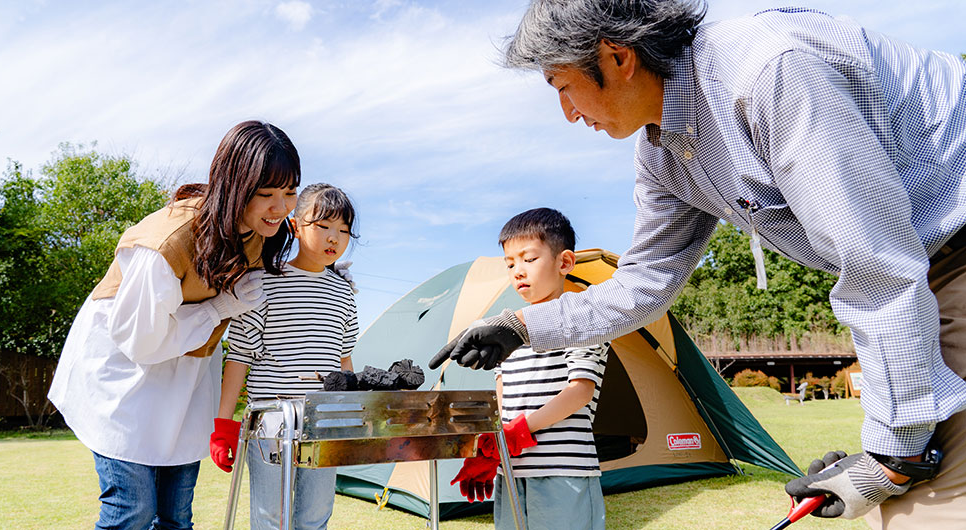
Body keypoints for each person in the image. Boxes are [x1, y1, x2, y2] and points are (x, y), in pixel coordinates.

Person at [429, 1, 966, 527]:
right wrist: (519, 325)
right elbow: (643, 283)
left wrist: (894, 458)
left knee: (928, 508)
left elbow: (876, 264)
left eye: (563, 86)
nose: (568, 113)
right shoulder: (663, 152)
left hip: (950, 241)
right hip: (921, 262)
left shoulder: (762, 75)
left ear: (617, 56)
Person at [48, 120, 302, 530]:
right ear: (234, 186)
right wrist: (219, 308)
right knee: (132, 511)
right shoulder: (169, 243)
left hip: (186, 378)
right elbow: (139, 341)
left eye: (289, 192)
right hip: (125, 375)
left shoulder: (258, 232)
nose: (281, 207)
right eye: (266, 194)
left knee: (176, 515)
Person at [210, 183, 359, 530]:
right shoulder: (262, 283)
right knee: (270, 519)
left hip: (323, 424)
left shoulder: (344, 292)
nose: (333, 238)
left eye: (343, 230)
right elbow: (239, 358)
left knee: (315, 518)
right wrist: (224, 426)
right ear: (294, 225)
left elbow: (345, 361)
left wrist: (351, 418)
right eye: (322, 226)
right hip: (270, 425)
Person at [451, 208, 608, 529]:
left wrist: (519, 432)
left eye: (529, 259)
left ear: (564, 262)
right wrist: (491, 447)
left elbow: (581, 391)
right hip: (511, 469)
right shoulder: (504, 331)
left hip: (564, 470)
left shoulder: (582, 319)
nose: (518, 271)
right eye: (510, 264)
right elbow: (502, 395)